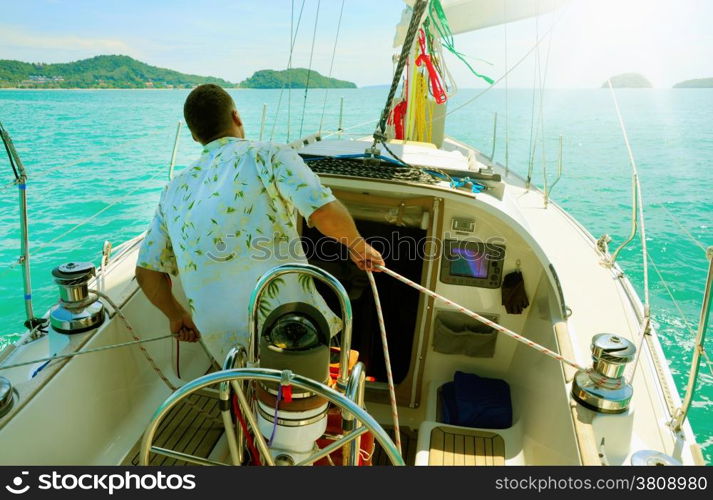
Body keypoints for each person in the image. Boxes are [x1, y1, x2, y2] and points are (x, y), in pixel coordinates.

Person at [135, 84, 384, 363]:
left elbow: (147, 272)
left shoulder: (173, 189)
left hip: (220, 339)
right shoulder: (270, 155)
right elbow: (322, 212)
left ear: (194, 136)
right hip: (284, 326)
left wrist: (176, 315)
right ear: (237, 117)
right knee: (299, 389)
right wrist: (358, 246)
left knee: (243, 390)